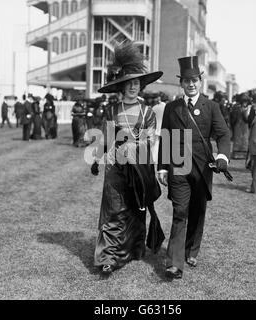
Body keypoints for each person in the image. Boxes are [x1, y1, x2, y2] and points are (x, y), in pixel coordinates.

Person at [91, 42, 164, 275]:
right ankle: (108, 257)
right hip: (114, 169)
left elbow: (150, 140)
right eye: (129, 83)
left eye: (137, 83)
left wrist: (131, 146)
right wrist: (97, 158)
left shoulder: (148, 113)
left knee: (135, 210)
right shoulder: (112, 111)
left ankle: (133, 249)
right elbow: (105, 137)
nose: (133, 87)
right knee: (113, 211)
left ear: (141, 86)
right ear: (122, 86)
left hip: (139, 169)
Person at [157, 56, 231, 279]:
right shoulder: (172, 108)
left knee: (198, 210)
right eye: (186, 81)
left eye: (194, 80)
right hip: (178, 166)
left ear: (200, 81)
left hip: (202, 168)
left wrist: (223, 156)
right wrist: (162, 167)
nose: (191, 84)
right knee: (180, 212)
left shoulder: (211, 107)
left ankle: (191, 249)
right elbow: (166, 138)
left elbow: (224, 134)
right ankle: (174, 264)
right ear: (181, 83)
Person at [230, 93, 251, 159]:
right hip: (242, 126)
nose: (245, 103)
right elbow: (246, 118)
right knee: (242, 139)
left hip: (237, 126)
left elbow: (232, 117)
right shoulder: (243, 108)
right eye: (244, 102)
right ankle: (242, 154)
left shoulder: (235, 107)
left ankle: (236, 154)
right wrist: (246, 111)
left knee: (238, 139)